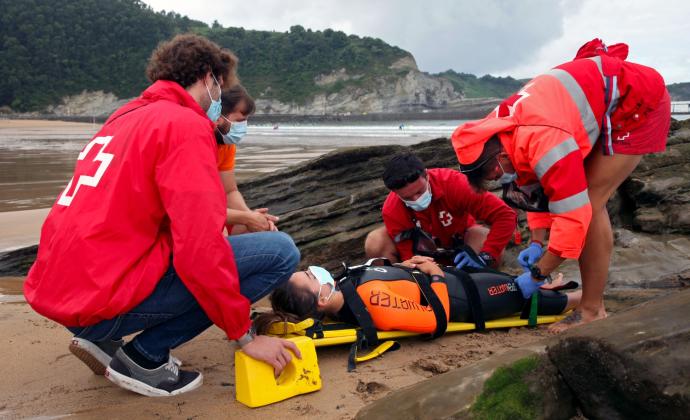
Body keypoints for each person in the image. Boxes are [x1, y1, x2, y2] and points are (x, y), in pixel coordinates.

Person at [23, 34, 300, 397]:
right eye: (220, 85)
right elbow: (199, 248)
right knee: (280, 253)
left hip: (62, 294)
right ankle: (145, 356)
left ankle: (105, 342)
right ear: (207, 77)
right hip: (97, 302)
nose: (219, 95)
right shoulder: (184, 125)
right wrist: (243, 335)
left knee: (187, 249)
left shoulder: (124, 116)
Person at [451, 39, 671, 332]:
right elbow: (535, 187)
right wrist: (537, 241)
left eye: (492, 176)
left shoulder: (542, 139)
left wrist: (540, 273)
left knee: (591, 203)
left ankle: (592, 310)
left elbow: (572, 216)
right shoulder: (496, 131)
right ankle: (593, 303)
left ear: (500, 157)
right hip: (596, 105)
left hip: (637, 103)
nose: (495, 182)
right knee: (580, 200)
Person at [253, 256, 580, 335]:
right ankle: (586, 300)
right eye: (310, 276)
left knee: (527, 281)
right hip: (469, 299)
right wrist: (434, 273)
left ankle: (555, 285)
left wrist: (405, 265)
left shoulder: (341, 288)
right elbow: (436, 319)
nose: (315, 270)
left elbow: (381, 275)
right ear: (321, 299)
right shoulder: (374, 306)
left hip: (460, 281)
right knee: (539, 296)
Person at [364, 152, 517, 269]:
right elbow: (407, 254)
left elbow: (505, 215)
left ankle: (482, 282)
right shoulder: (391, 208)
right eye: (408, 197)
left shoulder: (456, 184)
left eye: (419, 191)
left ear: (427, 175)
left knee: (482, 237)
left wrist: (487, 255)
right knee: (375, 241)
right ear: (396, 193)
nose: (416, 199)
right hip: (424, 256)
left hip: (463, 245)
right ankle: (397, 287)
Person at [213, 85, 279, 234]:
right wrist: (247, 217)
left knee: (261, 230)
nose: (243, 126)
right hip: (206, 219)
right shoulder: (198, 142)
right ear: (219, 116)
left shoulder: (226, 145)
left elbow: (229, 191)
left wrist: (251, 217)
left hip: (221, 213)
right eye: (240, 120)